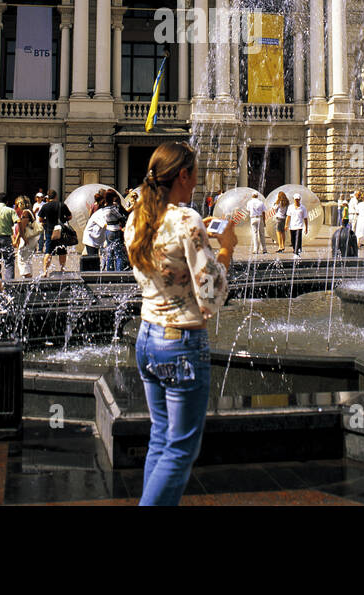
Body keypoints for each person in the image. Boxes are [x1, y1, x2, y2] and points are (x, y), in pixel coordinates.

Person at [125, 142, 234, 505]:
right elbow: (211, 293)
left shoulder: (137, 218)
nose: (197, 180)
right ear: (183, 175)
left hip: (147, 337)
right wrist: (226, 249)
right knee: (182, 448)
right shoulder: (186, 220)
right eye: (195, 173)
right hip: (182, 342)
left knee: (160, 437)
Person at [37, 189, 71, 277]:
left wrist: (47, 221)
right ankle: (62, 268)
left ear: (48, 197)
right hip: (61, 231)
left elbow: (40, 219)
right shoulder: (62, 205)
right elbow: (70, 216)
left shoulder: (45, 206)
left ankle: (45, 271)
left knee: (48, 251)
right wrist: (63, 220)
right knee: (62, 250)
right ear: (56, 196)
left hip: (49, 231)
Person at [100, 189, 130, 271]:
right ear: (112, 198)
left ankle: (110, 272)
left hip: (108, 230)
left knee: (109, 253)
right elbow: (121, 217)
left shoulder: (104, 209)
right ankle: (119, 273)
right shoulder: (112, 208)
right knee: (118, 254)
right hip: (115, 230)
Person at [11, 194, 39, 279]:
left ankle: (27, 278)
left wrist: (18, 239)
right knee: (27, 259)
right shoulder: (30, 211)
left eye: (17, 204)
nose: (17, 206)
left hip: (27, 238)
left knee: (21, 258)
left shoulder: (25, 213)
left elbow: (21, 228)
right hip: (32, 238)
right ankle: (29, 278)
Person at [287, 193, 309, 257]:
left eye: (298, 199)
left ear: (299, 199)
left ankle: (297, 252)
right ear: (293, 199)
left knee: (298, 238)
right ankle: (295, 249)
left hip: (299, 226)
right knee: (293, 240)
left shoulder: (303, 208)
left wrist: (306, 227)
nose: (296, 201)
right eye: (295, 199)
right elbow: (288, 217)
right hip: (292, 226)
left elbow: (305, 218)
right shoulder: (290, 207)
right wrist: (286, 225)